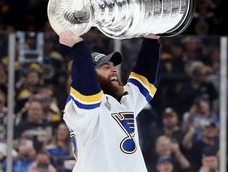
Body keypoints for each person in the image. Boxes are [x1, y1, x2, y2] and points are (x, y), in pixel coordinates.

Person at [58, 30, 161, 171]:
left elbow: (145, 78)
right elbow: (87, 87)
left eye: (113, 67)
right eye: (106, 67)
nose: (114, 70)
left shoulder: (125, 100)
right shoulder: (83, 110)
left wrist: (151, 39)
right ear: (92, 76)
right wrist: (78, 46)